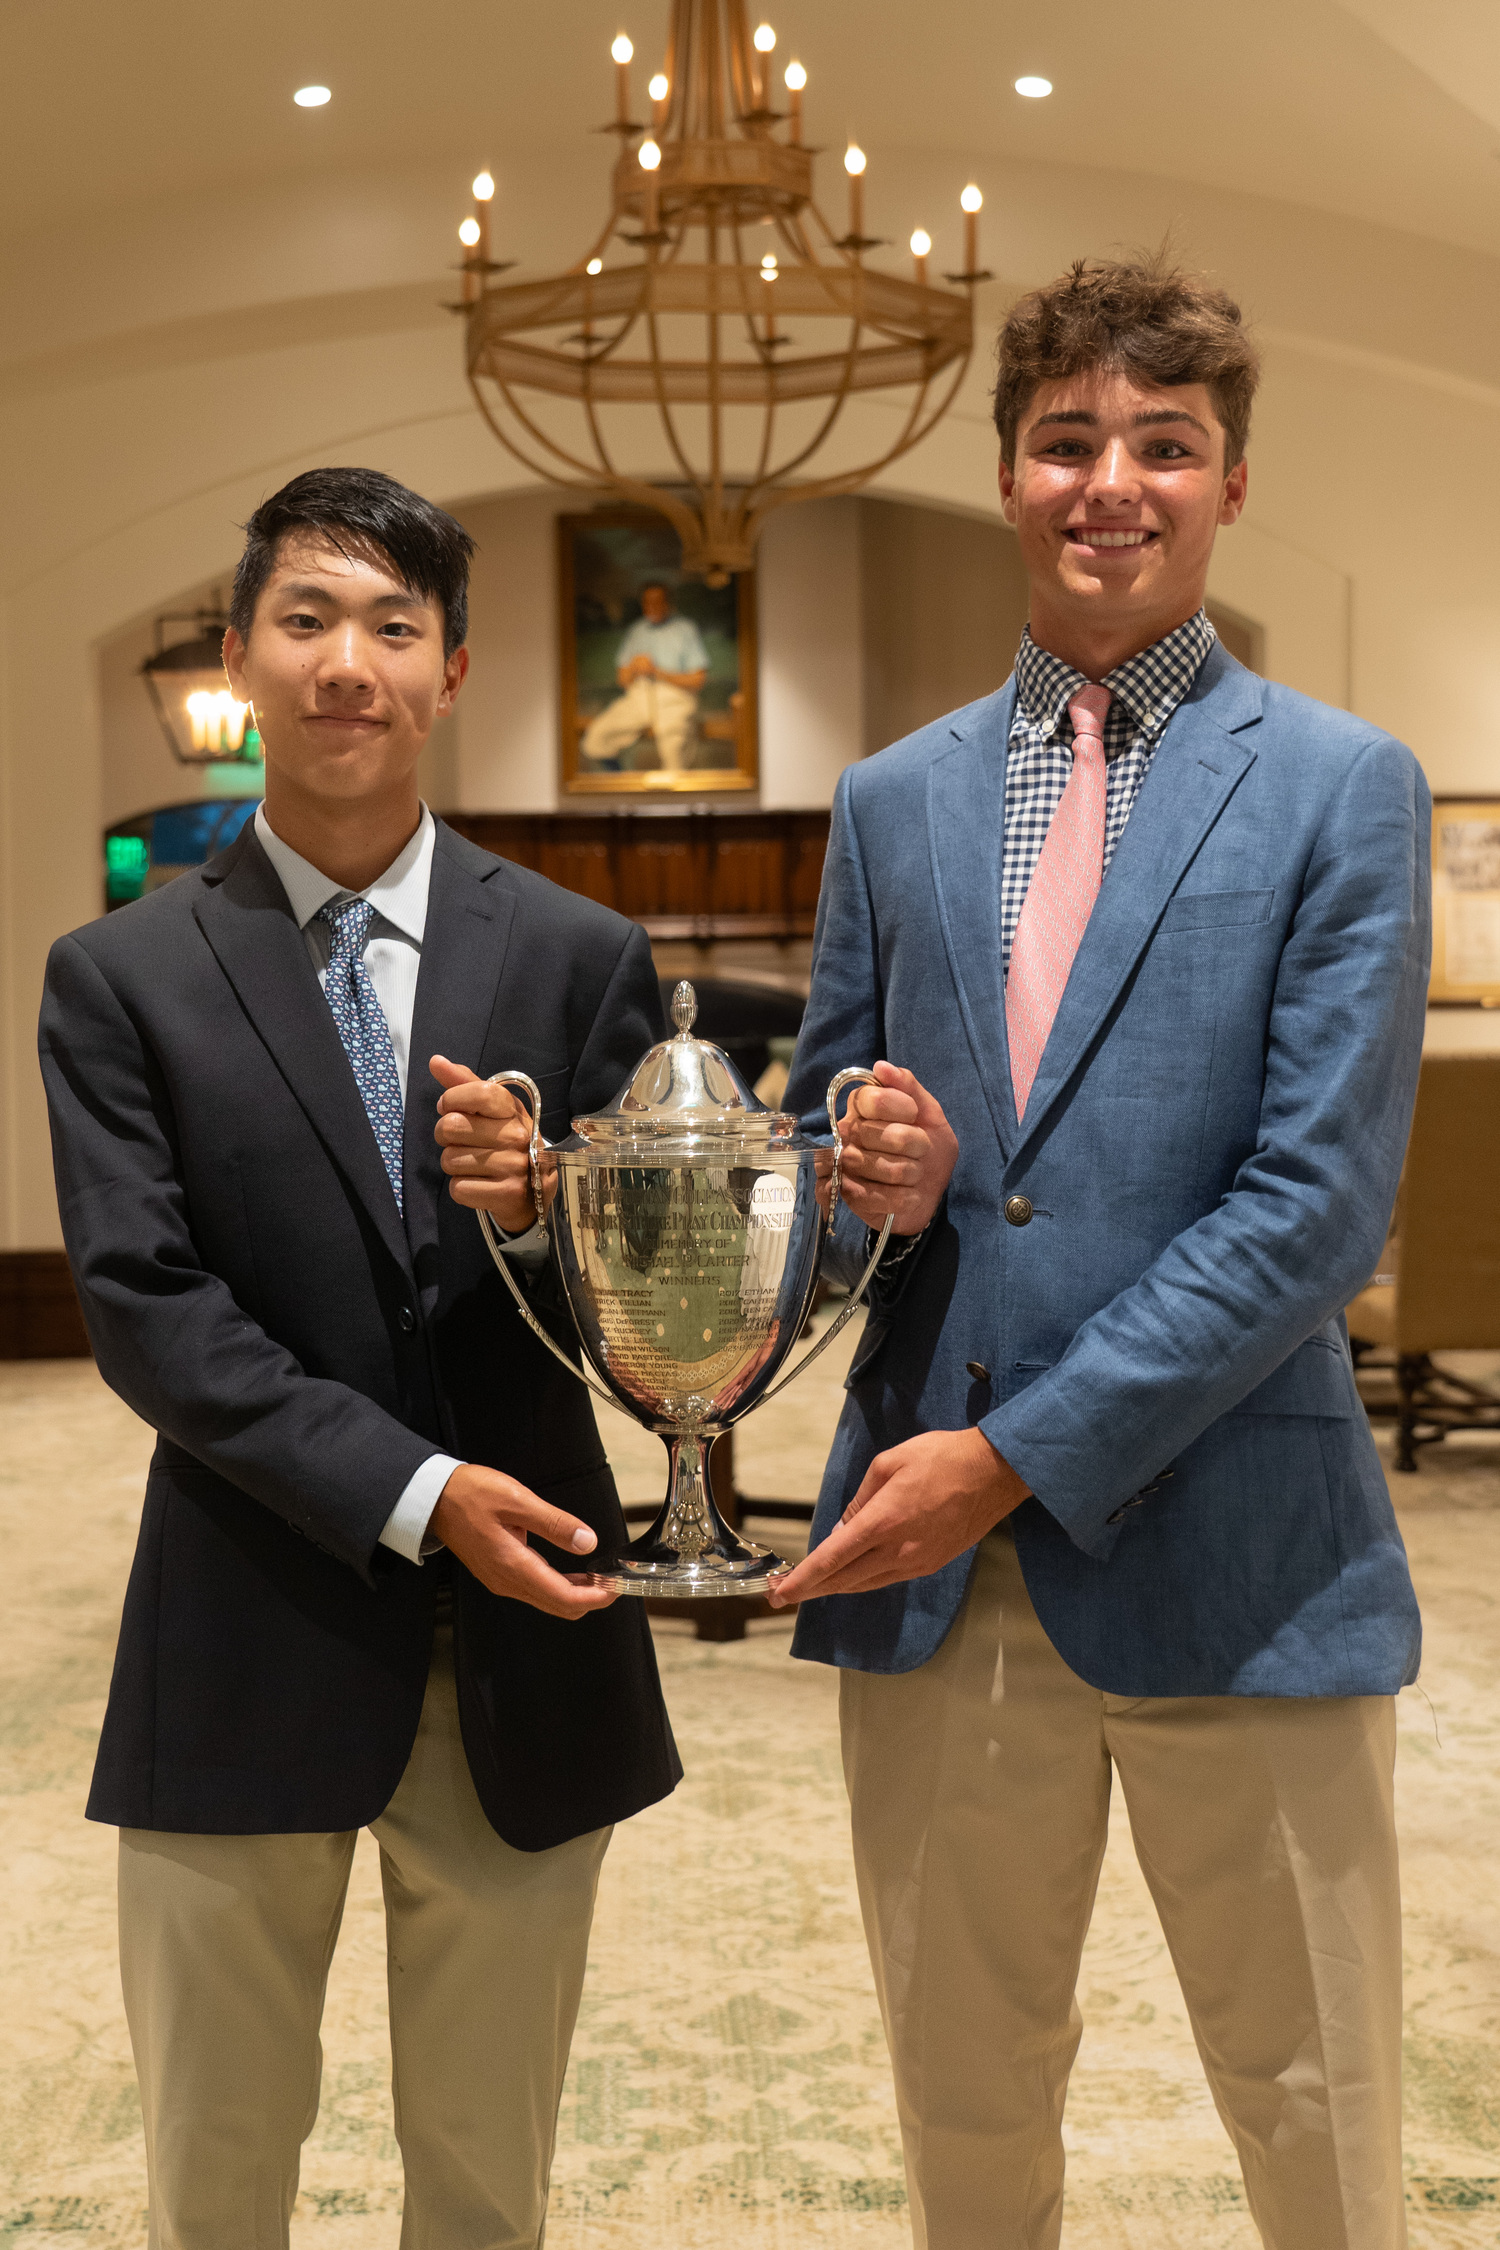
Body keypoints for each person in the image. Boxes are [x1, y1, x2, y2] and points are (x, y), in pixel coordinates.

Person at [769, 255, 1430, 2250]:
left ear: (1233, 484)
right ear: (1003, 472)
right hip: (934, 1579)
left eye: (1166, 444)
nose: (1110, 482)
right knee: (966, 2115)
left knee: (1315, 2113)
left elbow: (1314, 1212)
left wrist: (1016, 1460)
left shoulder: (1339, 785)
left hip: (1244, 1549)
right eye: (1069, 441)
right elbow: (819, 1181)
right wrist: (853, 1188)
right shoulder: (892, 804)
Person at [38, 466, 681, 2249]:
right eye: (308, 620)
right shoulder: (121, 977)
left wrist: (556, 1208)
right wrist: (411, 1494)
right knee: (217, 2170)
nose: (348, 664)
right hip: (248, 1624)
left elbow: (654, 1304)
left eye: (394, 627)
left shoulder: (575, 954)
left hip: (531, 1648)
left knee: (487, 2176)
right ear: (244, 655)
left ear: (453, 668)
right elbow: (146, 1307)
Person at [580, 579, 709, 771]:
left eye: (658, 601)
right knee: (597, 738)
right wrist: (634, 667)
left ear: (668, 603)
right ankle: (622, 783)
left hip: (675, 697)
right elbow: (622, 679)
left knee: (673, 747)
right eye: (648, 602)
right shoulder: (637, 631)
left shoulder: (684, 629)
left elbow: (698, 680)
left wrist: (656, 672)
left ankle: (673, 796)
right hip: (640, 695)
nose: (652, 606)